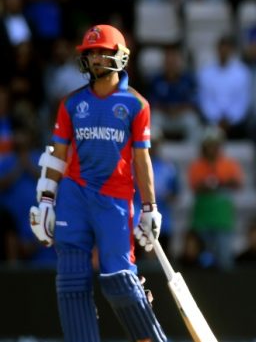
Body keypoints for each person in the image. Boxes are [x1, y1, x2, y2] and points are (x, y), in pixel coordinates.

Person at [28, 24, 166, 341]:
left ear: (120, 56)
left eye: (103, 52)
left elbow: (142, 160)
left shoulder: (136, 104)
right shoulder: (71, 104)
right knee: (72, 280)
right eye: (91, 54)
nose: (96, 59)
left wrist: (149, 208)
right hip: (74, 194)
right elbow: (56, 155)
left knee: (118, 279)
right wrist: (47, 200)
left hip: (114, 198)